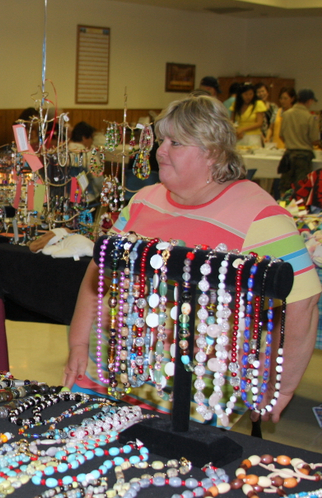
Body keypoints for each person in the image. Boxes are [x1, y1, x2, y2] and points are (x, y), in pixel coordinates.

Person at [63, 94, 321, 428]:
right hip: (115, 368)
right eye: (161, 141)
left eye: (175, 143)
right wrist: (78, 342)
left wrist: (280, 385)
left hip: (202, 386)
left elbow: (304, 302)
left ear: (212, 152)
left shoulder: (260, 215)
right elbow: (99, 271)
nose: (160, 151)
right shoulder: (143, 201)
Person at [278, 89, 321, 195]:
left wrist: (291, 141)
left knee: (285, 187)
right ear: (309, 101)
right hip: (303, 156)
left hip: (288, 155)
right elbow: (314, 139)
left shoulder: (286, 114)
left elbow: (281, 135)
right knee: (301, 187)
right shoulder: (310, 117)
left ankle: (283, 204)